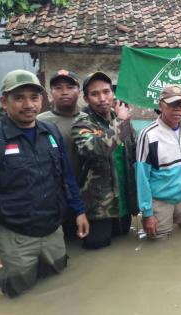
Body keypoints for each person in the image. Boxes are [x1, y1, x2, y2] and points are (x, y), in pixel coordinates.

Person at [0, 70, 89, 297]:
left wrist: (79, 211)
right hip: (14, 237)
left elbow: (66, 177)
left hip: (52, 232)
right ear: (4, 102)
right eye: (19, 98)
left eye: (34, 97)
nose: (28, 104)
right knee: (17, 295)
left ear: (42, 100)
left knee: (59, 287)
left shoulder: (50, 131)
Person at [72, 72, 137, 249]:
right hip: (98, 209)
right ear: (86, 98)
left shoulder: (120, 120)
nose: (102, 98)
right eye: (95, 94)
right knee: (97, 252)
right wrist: (121, 122)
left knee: (124, 249)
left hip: (123, 203)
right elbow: (96, 150)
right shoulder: (82, 123)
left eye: (106, 92)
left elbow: (133, 152)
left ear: (112, 93)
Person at [135, 84, 181, 240]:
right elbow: (142, 177)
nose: (178, 108)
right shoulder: (148, 135)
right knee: (159, 245)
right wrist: (147, 213)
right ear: (161, 105)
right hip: (160, 201)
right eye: (172, 104)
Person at [37, 69, 88, 238]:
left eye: (70, 87)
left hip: (85, 195)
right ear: (50, 92)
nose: (64, 92)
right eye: (58, 88)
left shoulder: (88, 120)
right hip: (54, 196)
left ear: (79, 91)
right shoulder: (40, 122)